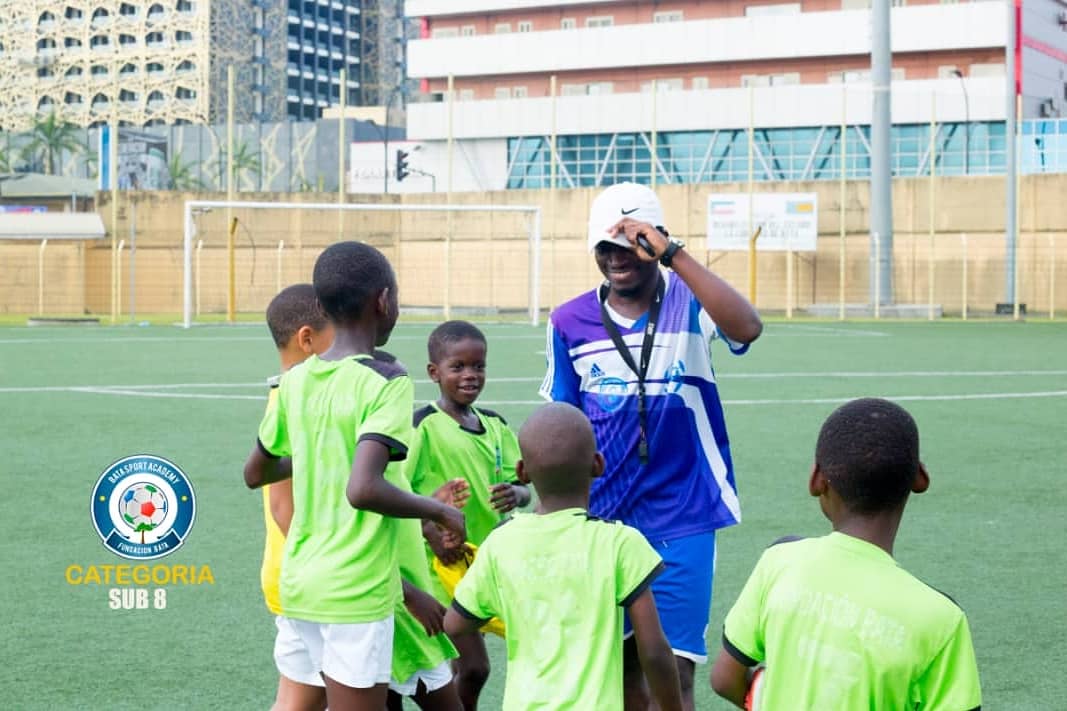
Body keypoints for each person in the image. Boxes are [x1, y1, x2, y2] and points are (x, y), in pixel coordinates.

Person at [539, 181, 762, 710]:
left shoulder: (691, 300)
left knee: (674, 670)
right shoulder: (568, 321)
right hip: (601, 518)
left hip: (684, 512)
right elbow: (562, 422)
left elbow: (747, 327)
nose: (617, 258)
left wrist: (673, 253)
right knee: (620, 668)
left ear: (656, 240)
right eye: (606, 246)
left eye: (632, 245)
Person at [244, 241, 466, 711]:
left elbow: (255, 472)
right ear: (383, 301)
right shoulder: (385, 379)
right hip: (354, 588)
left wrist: (319, 452)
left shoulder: (295, 381)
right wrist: (440, 510)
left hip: (302, 583)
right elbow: (363, 489)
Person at [709, 398, 982, 710]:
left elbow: (724, 678)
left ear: (817, 480)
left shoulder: (780, 561)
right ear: (919, 479)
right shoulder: (941, 619)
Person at [443, 402, 683, 711]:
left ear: (522, 472)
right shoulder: (620, 541)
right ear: (598, 464)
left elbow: (455, 624)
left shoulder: (500, 543)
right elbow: (653, 651)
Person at [405, 320, 529, 710]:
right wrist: (430, 530)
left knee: (467, 667)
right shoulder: (423, 427)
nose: (470, 375)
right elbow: (396, 495)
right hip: (439, 568)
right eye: (457, 367)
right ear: (434, 372)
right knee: (474, 667)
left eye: (478, 366)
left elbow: (523, 486)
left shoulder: (495, 426)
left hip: (485, 564)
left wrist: (516, 493)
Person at [259, 284, 335, 711]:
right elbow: (282, 506)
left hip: (303, 571)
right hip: (306, 575)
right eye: (337, 335)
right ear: (307, 339)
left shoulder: (298, 394)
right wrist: (331, 561)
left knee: (312, 696)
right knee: (304, 699)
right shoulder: (291, 399)